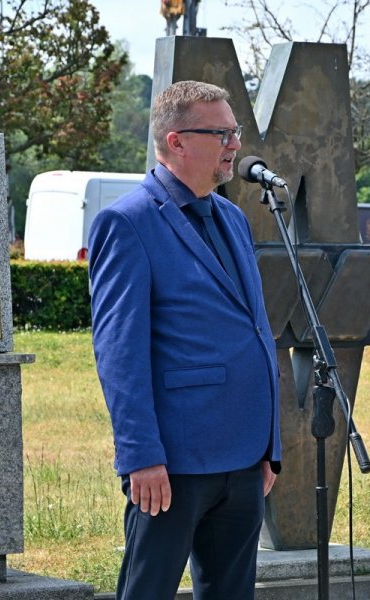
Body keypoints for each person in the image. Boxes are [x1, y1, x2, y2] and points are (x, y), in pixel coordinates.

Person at [88, 80, 282, 600]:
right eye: (221, 134)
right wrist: (140, 456)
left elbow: (256, 332)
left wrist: (270, 447)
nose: (235, 146)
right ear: (176, 141)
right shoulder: (126, 223)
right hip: (173, 462)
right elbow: (118, 353)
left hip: (243, 460)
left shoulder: (234, 218)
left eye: (234, 132)